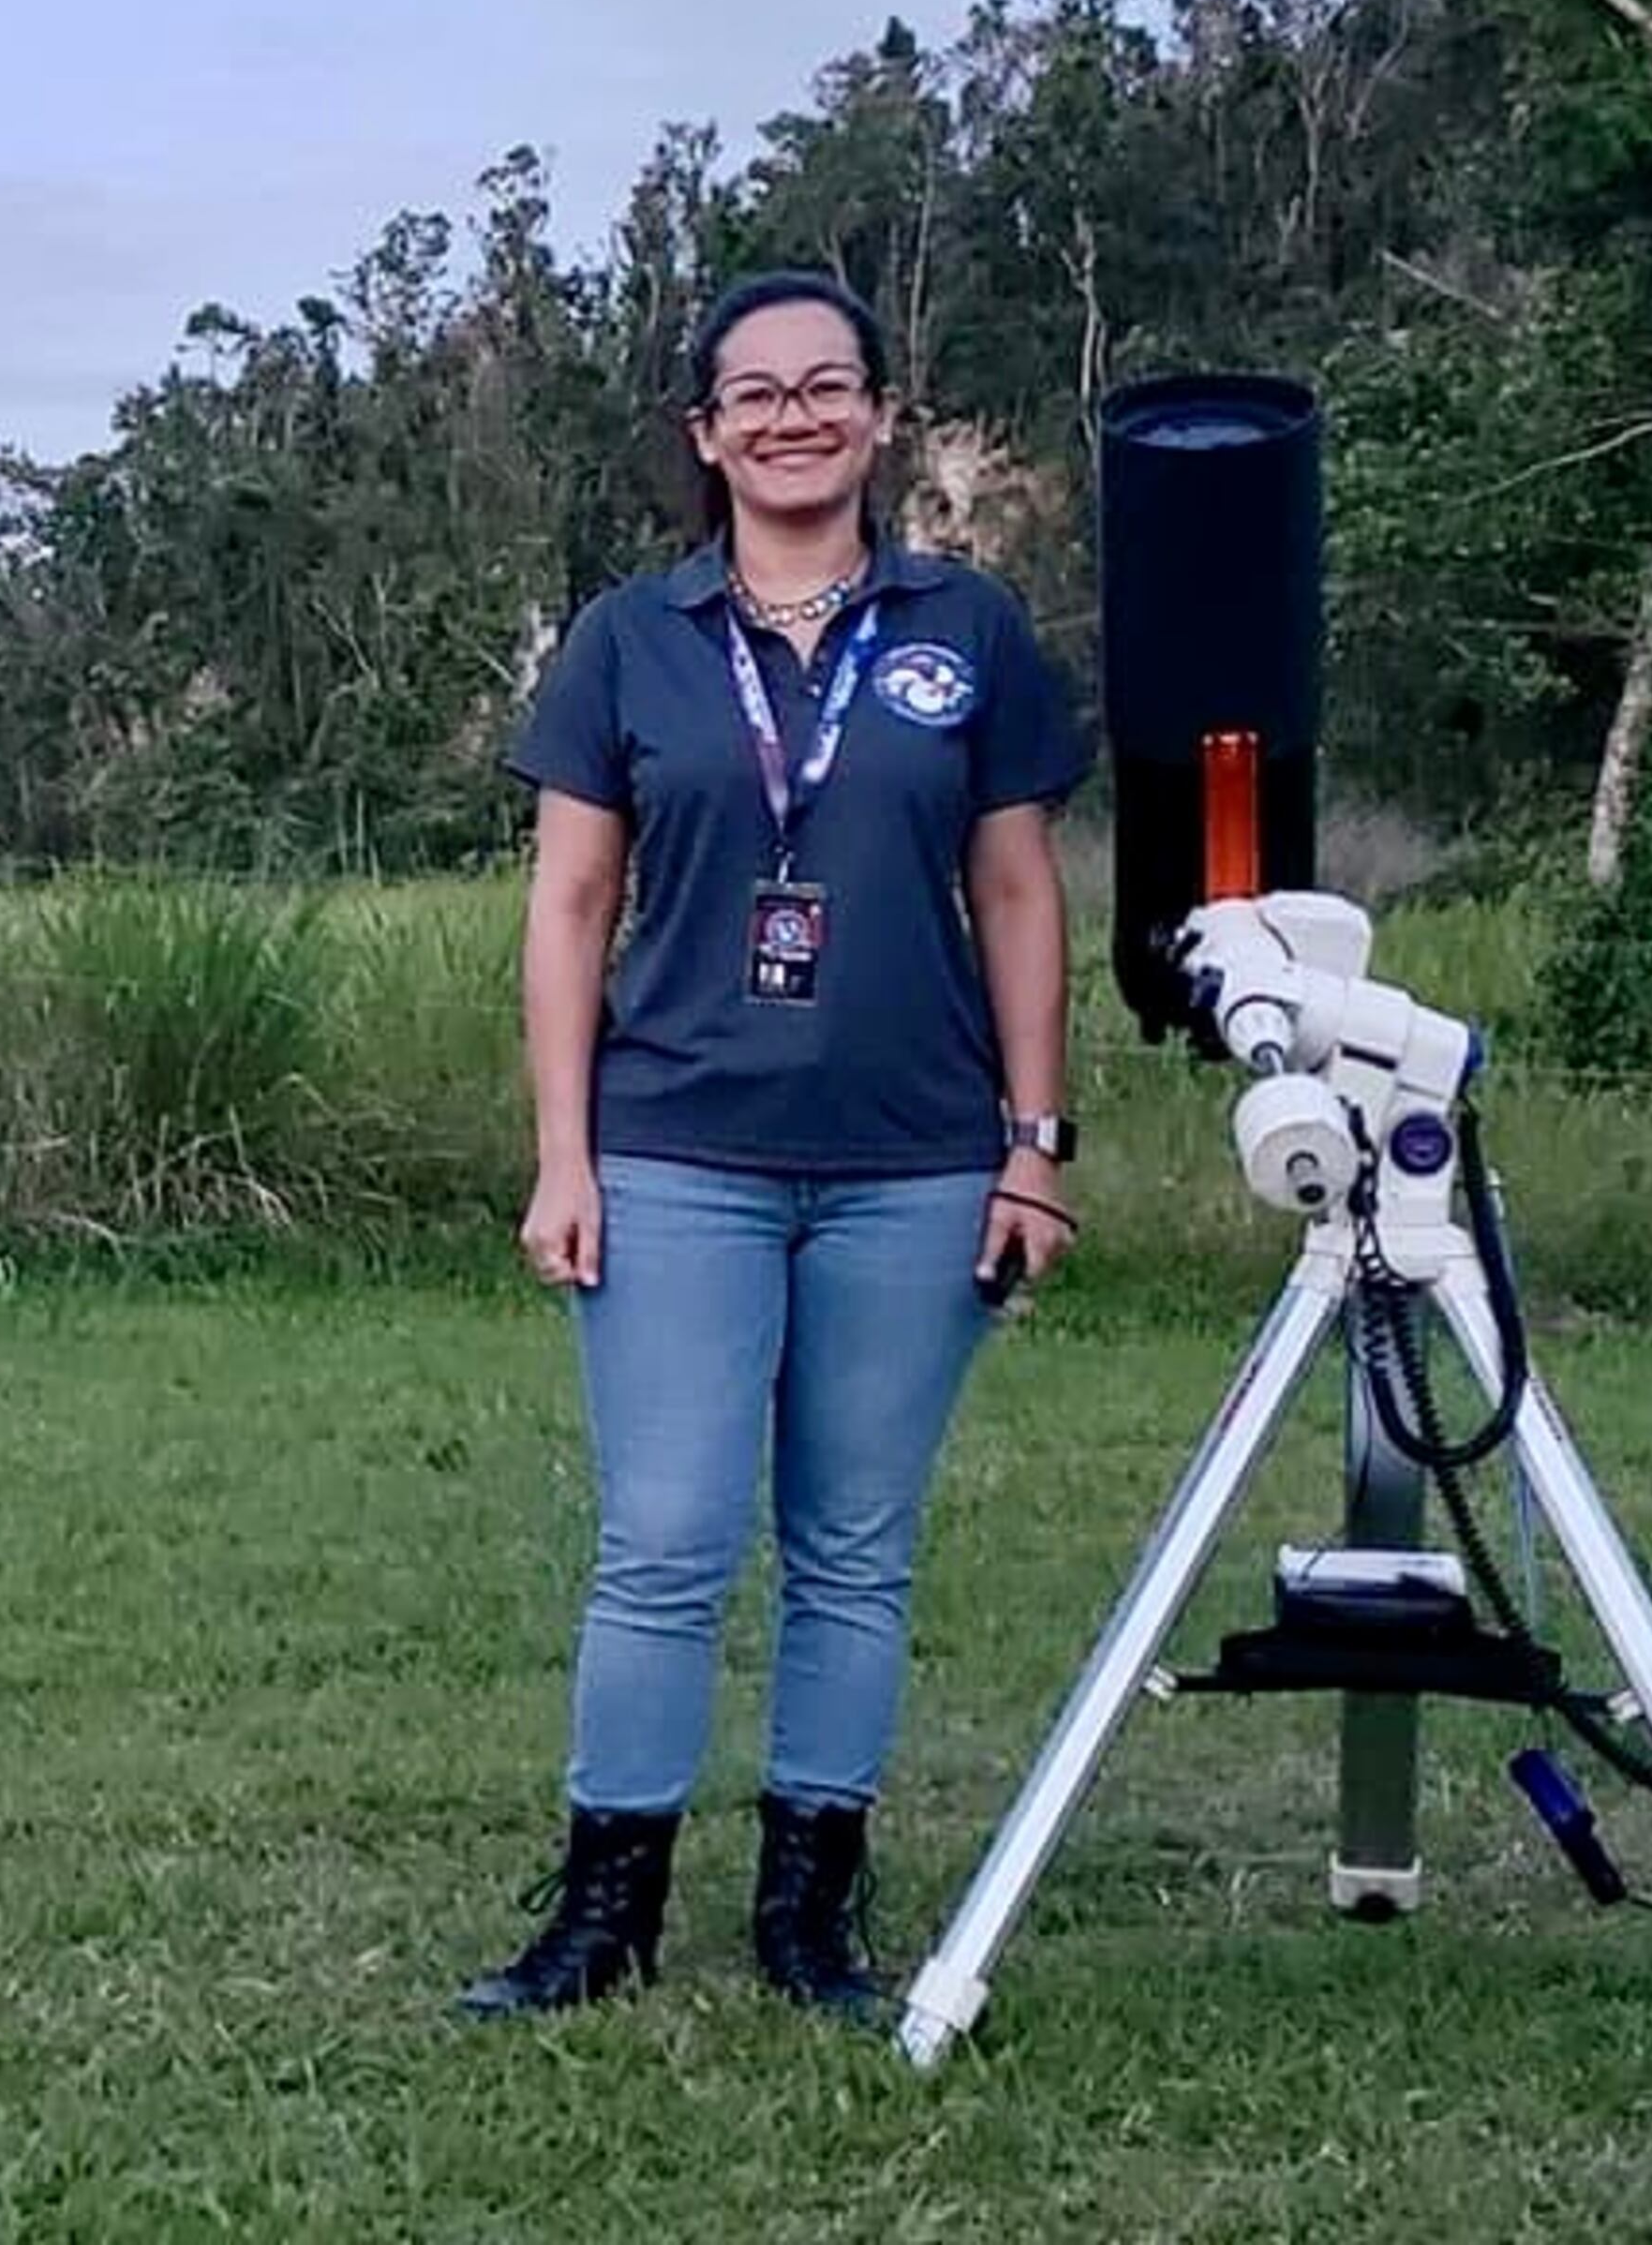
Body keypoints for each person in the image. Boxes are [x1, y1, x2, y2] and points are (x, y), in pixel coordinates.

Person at [457, 269, 1089, 2024]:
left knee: (854, 1546)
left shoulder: (965, 627)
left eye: (829, 386)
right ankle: (606, 1912)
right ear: (706, 434)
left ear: (880, 416)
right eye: (757, 393)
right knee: (663, 1537)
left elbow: (1018, 889)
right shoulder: (629, 640)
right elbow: (570, 906)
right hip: (676, 1150)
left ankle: (810, 1911)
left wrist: (1034, 1146)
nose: (794, 415)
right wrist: (562, 1155)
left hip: (914, 1158)